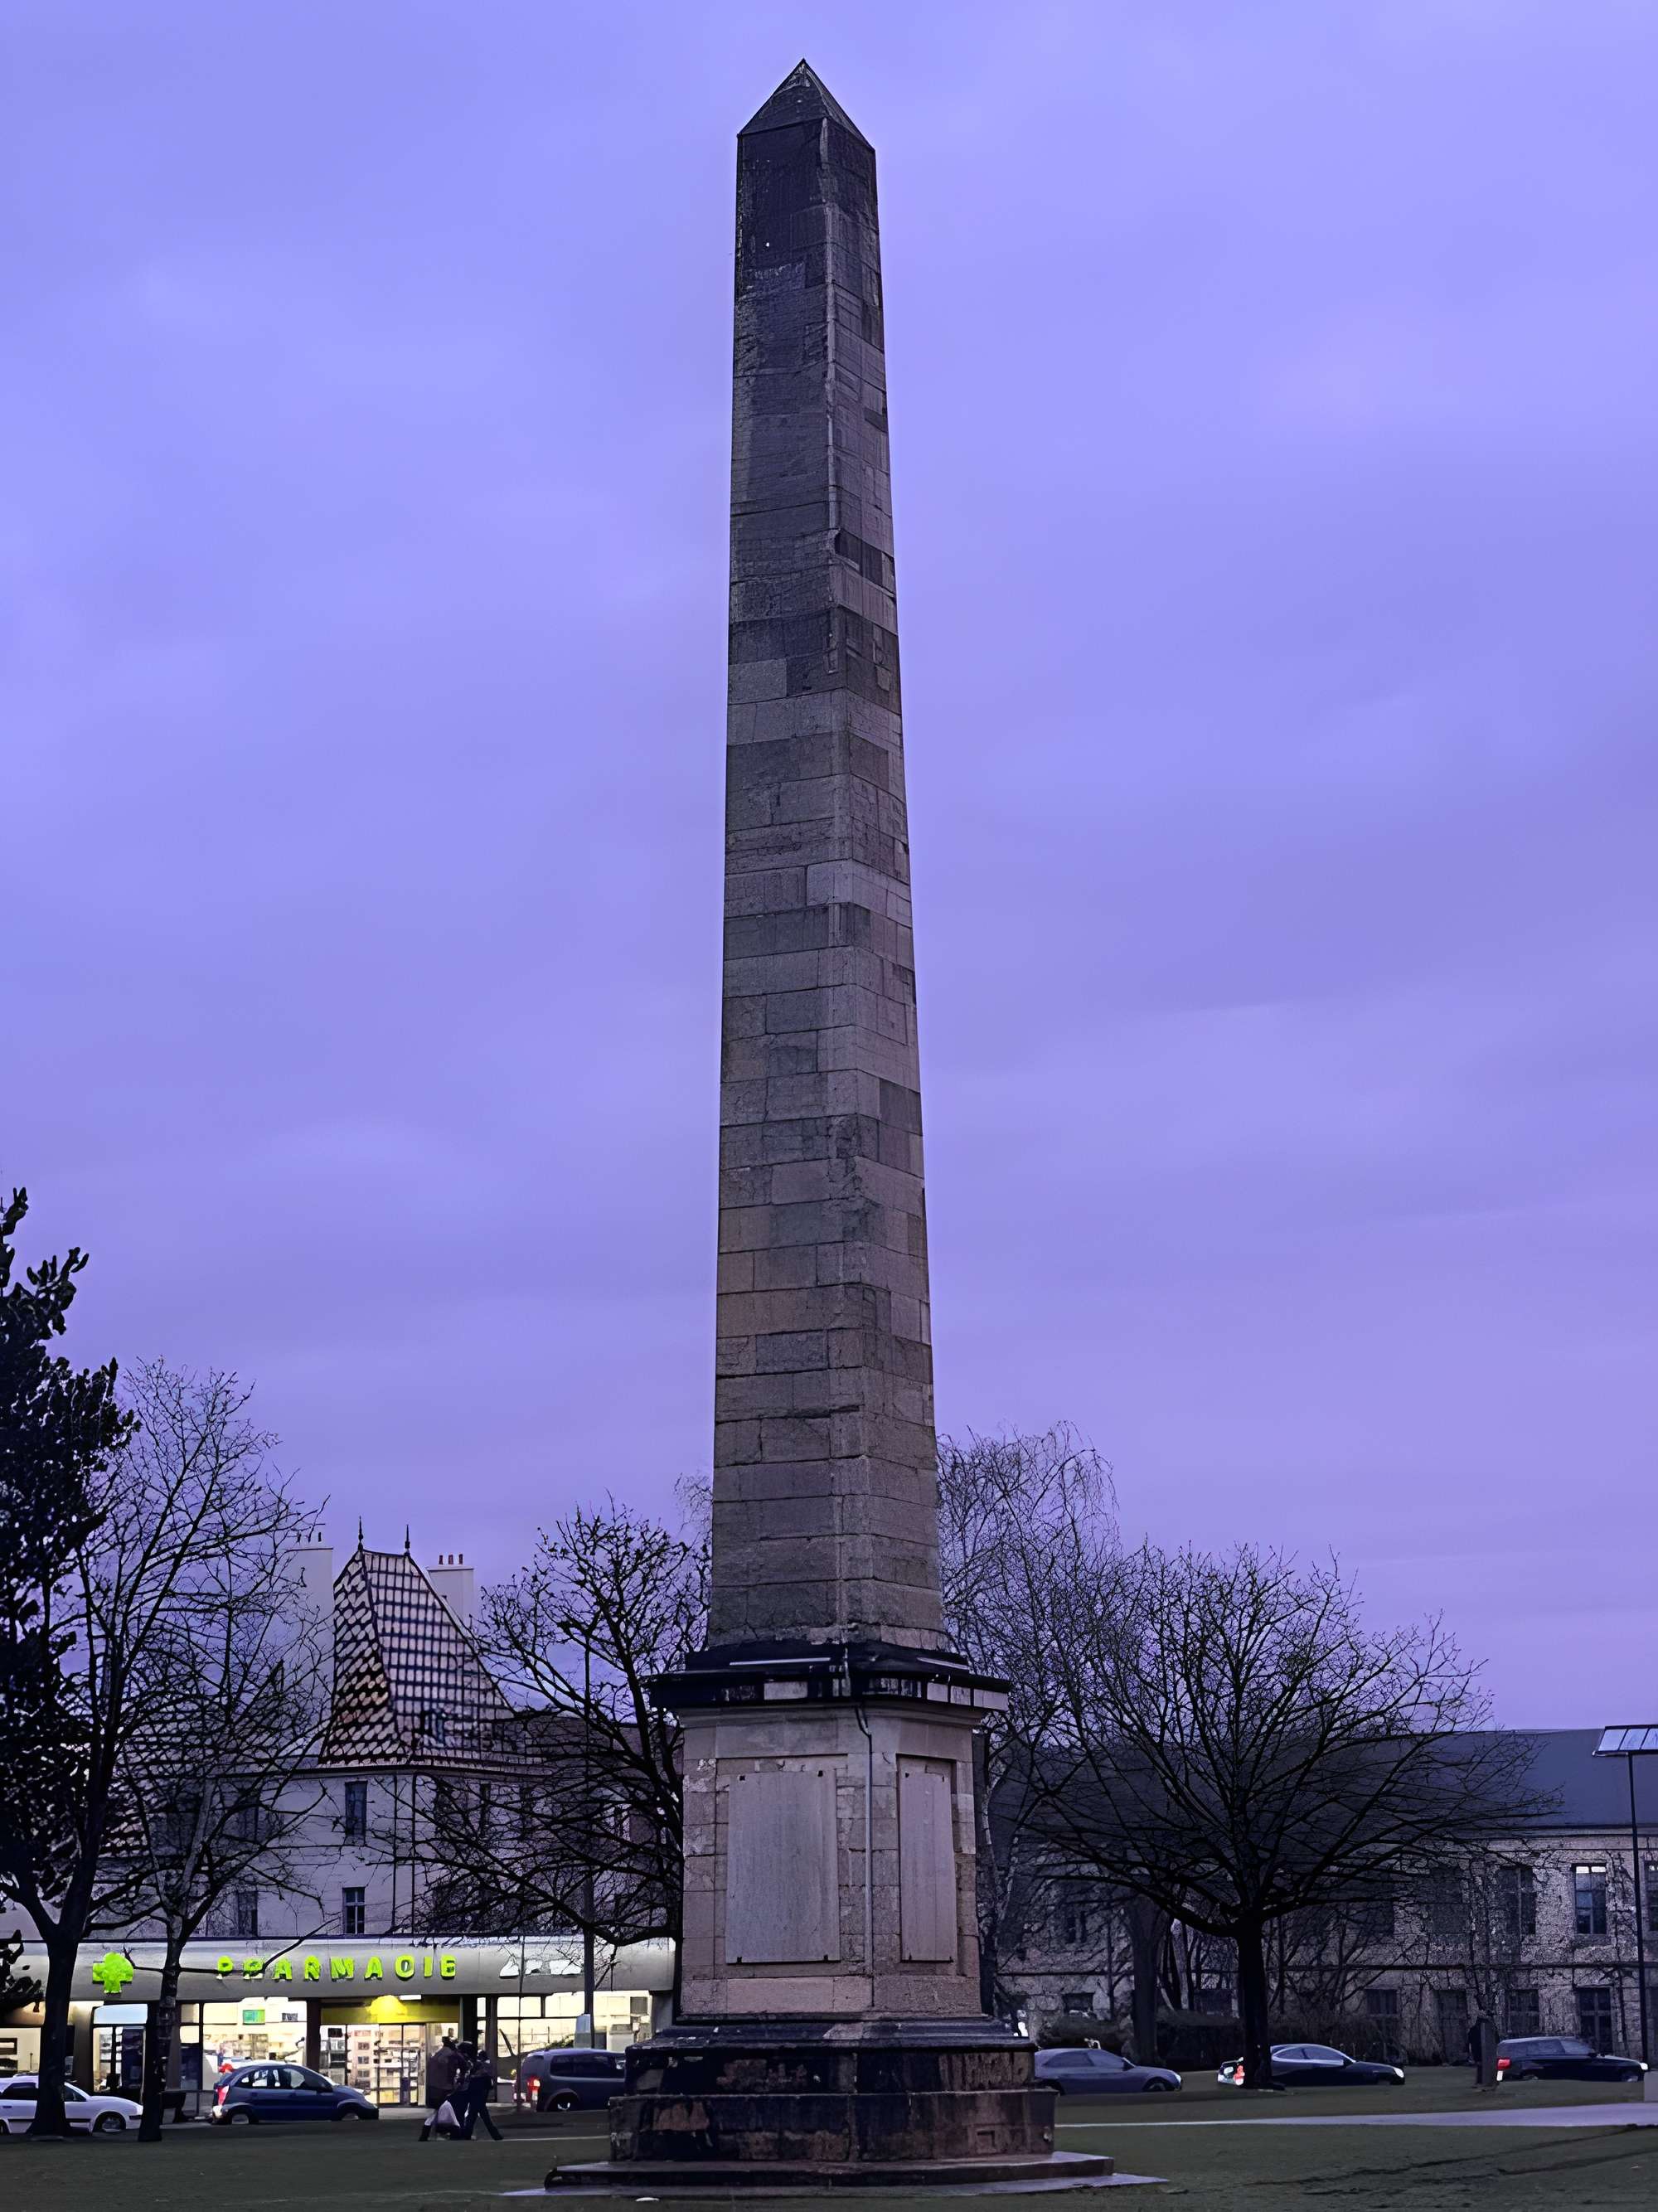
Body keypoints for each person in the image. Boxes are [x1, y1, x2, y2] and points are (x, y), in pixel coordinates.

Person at [459, 2044, 502, 2141]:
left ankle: (494, 2135)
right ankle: (495, 2135)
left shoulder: (474, 2064)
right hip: (480, 2091)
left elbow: (470, 2077)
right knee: (475, 2113)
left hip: (476, 2090)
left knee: (478, 2113)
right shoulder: (478, 2063)